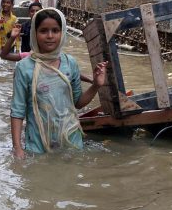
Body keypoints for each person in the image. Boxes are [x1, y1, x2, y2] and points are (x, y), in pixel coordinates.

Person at [9, 8, 107, 159]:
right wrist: (17, 148)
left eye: (55, 30)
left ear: (62, 33)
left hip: (70, 138)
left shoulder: (70, 63)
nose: (50, 36)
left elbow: (78, 103)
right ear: (35, 34)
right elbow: (17, 110)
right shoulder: (24, 67)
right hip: (38, 141)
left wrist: (96, 85)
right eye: (43, 31)